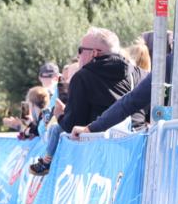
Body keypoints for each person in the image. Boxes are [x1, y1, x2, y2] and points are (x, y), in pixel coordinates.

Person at [29, 27, 142, 175]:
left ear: (95, 53)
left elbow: (72, 124)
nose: (77, 55)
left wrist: (60, 115)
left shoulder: (83, 77)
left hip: (96, 162)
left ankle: (46, 162)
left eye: (80, 50)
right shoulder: (137, 74)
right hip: (135, 152)